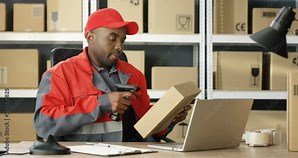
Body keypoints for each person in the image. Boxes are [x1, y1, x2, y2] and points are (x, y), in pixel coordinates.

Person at [34, 8, 191, 142]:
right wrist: (101, 104)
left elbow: (145, 130)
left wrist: (169, 118)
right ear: (91, 37)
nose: (119, 46)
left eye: (122, 40)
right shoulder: (59, 74)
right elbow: (44, 125)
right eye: (112, 38)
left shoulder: (135, 75)